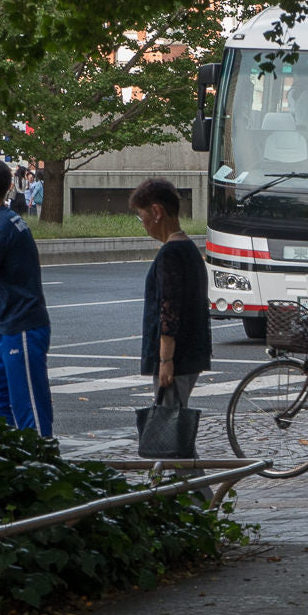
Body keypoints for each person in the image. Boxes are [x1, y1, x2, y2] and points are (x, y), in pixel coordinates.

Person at [132, 179, 211, 481]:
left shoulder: (170, 255)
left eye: (141, 216)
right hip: (190, 354)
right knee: (174, 434)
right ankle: (183, 498)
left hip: (176, 359)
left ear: (156, 212)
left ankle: (199, 499)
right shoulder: (189, 250)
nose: (142, 225)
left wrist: (165, 359)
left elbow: (169, 309)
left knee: (171, 439)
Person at [0, 158, 53, 435]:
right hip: (3, 326)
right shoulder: (5, 222)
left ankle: (40, 463)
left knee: (29, 409)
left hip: (22, 325)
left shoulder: (0, 227)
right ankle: (13, 456)